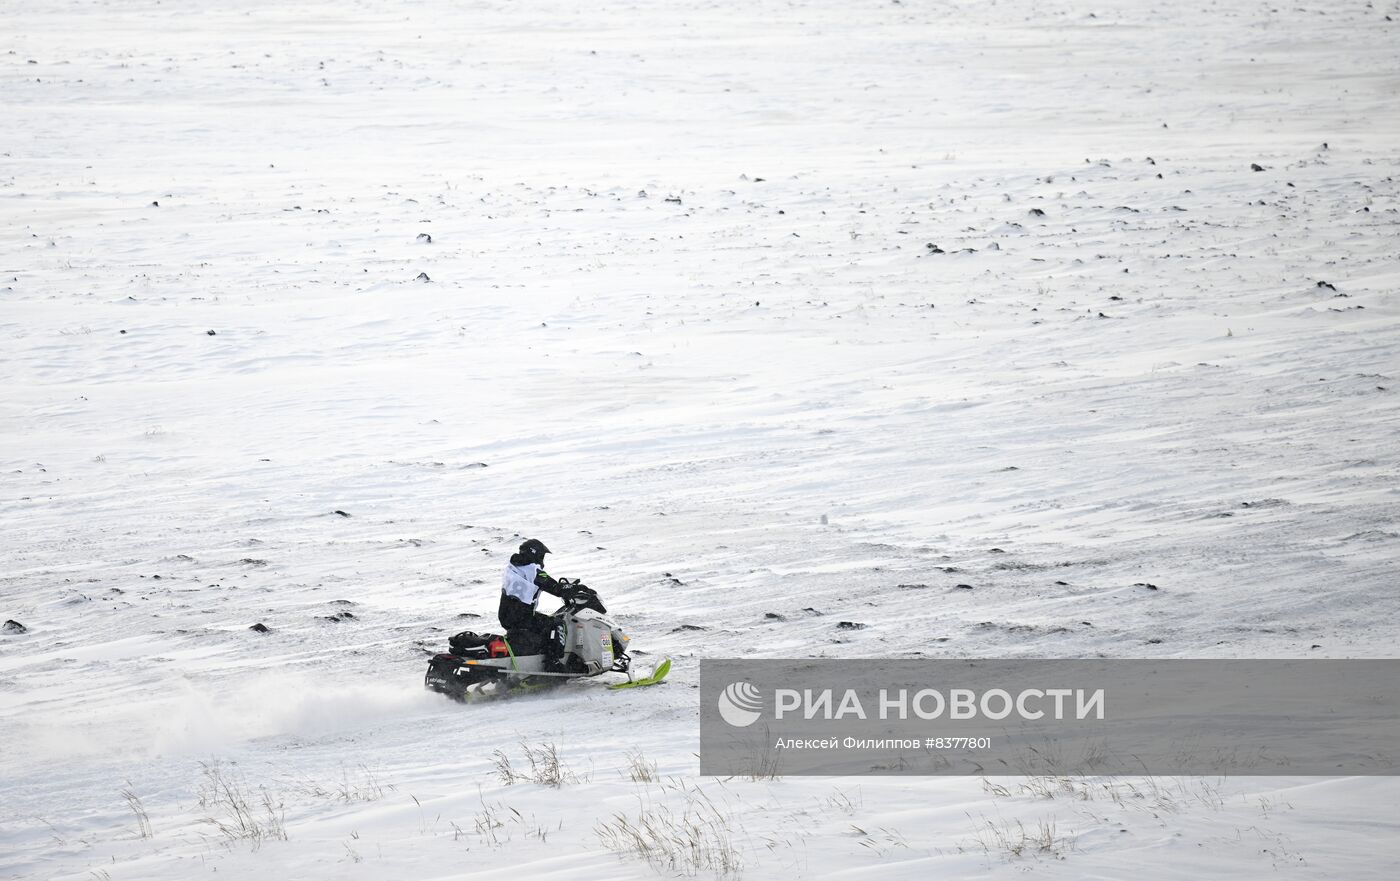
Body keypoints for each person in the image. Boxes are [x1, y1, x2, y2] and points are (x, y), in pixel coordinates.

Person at [498, 538, 566, 667]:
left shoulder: (512, 568)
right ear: (535, 553)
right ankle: (552, 663)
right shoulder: (532, 570)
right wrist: (568, 590)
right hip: (521, 617)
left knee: (540, 625)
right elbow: (553, 587)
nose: (542, 559)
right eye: (541, 555)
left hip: (505, 616)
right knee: (557, 624)